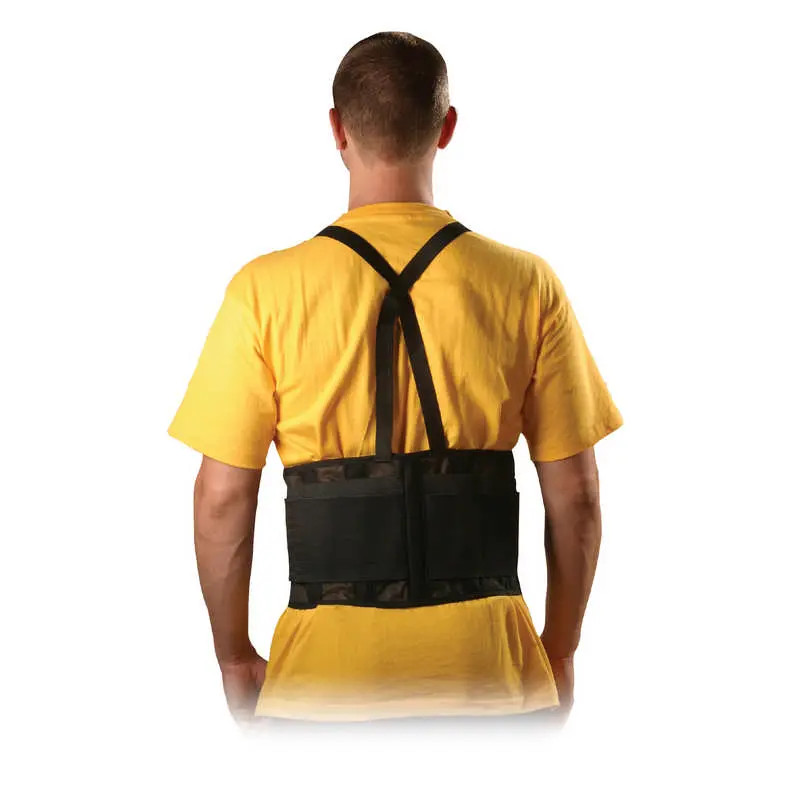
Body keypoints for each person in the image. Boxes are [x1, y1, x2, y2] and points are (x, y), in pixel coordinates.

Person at [167, 31, 623, 725]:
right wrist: (558, 652)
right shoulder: (527, 284)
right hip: (494, 681)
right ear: (446, 127)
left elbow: (222, 498)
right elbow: (577, 497)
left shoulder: (264, 292)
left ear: (336, 129)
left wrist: (234, 657)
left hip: (319, 691)